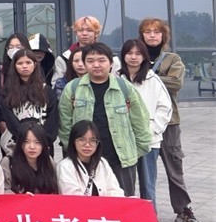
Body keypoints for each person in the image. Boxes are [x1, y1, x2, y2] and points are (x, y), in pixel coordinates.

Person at [58, 43, 151, 196]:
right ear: (84, 63)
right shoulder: (73, 88)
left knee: (122, 202)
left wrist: (134, 152)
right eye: (90, 61)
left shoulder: (124, 88)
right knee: (86, 203)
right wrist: (75, 151)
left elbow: (140, 121)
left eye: (101, 60)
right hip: (84, 159)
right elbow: (65, 125)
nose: (96, 65)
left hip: (120, 159)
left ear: (111, 63)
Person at [139, 17, 203, 222]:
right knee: (144, 172)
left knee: (174, 168)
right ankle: (146, 212)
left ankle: (183, 210)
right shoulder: (136, 56)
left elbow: (175, 83)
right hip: (140, 122)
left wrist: (144, 76)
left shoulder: (172, 59)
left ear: (163, 36)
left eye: (156, 32)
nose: (152, 35)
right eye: (148, 31)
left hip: (169, 122)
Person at [119, 39, 172, 209]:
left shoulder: (153, 79)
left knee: (147, 185)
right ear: (123, 55)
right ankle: (126, 218)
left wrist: (152, 130)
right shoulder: (116, 79)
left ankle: (150, 218)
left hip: (149, 141)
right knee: (124, 185)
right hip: (123, 141)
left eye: (138, 53)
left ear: (144, 57)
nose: (133, 57)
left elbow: (165, 108)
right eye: (129, 53)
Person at [0, 48, 60, 154]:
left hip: (44, 145)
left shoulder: (46, 90)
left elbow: (52, 119)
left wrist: (42, 141)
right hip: (17, 143)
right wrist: (25, 139)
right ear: (14, 66)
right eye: (20, 63)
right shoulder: (7, 92)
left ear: (35, 64)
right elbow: (10, 120)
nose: (24, 66)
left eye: (28, 62)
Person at [57, 120, 124, 197]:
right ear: (73, 141)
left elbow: (115, 190)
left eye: (92, 141)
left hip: (105, 205)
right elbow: (73, 198)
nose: (87, 145)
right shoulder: (65, 166)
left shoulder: (102, 163)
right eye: (82, 140)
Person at [51, 16, 120, 87]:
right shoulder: (64, 58)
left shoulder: (112, 59)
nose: (84, 33)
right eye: (80, 30)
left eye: (89, 30)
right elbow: (56, 86)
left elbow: (117, 84)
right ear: (76, 33)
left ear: (96, 33)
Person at [0, 122, 58, 194]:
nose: (32, 147)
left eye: (37, 142)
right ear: (20, 143)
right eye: (27, 142)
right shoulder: (9, 162)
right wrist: (22, 197)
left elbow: (55, 190)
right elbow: (2, 191)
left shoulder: (48, 161)